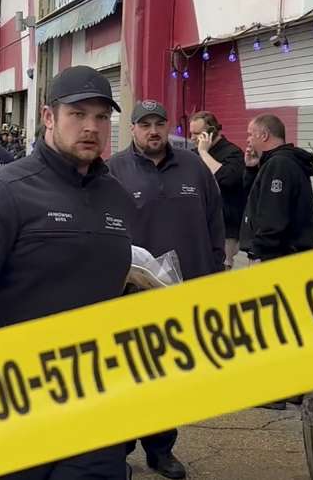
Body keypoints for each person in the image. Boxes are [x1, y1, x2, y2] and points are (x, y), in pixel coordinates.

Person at [0, 65, 136, 479]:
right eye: (77, 114)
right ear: (48, 117)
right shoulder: (5, 191)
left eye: (101, 116)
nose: (91, 127)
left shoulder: (116, 196)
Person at [107, 100, 224, 479]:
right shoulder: (112, 171)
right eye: (145, 125)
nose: (153, 131)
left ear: (169, 125)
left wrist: (214, 268)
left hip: (182, 292)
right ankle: (118, 451)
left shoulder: (194, 167)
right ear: (133, 128)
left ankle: (161, 450)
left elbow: (214, 220)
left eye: (159, 123)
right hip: (129, 294)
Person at [240, 114, 313, 263]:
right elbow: (256, 202)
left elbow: (272, 215)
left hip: (276, 258)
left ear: (264, 136)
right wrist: (251, 170)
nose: (248, 140)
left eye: (250, 134)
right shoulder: (276, 163)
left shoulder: (280, 164)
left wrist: (259, 254)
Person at [190, 111, 247, 269]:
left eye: (197, 134)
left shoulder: (233, 153)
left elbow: (227, 179)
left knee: (221, 268)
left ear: (211, 132)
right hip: (199, 224)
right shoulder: (192, 154)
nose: (192, 138)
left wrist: (203, 152)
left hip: (225, 228)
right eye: (191, 133)